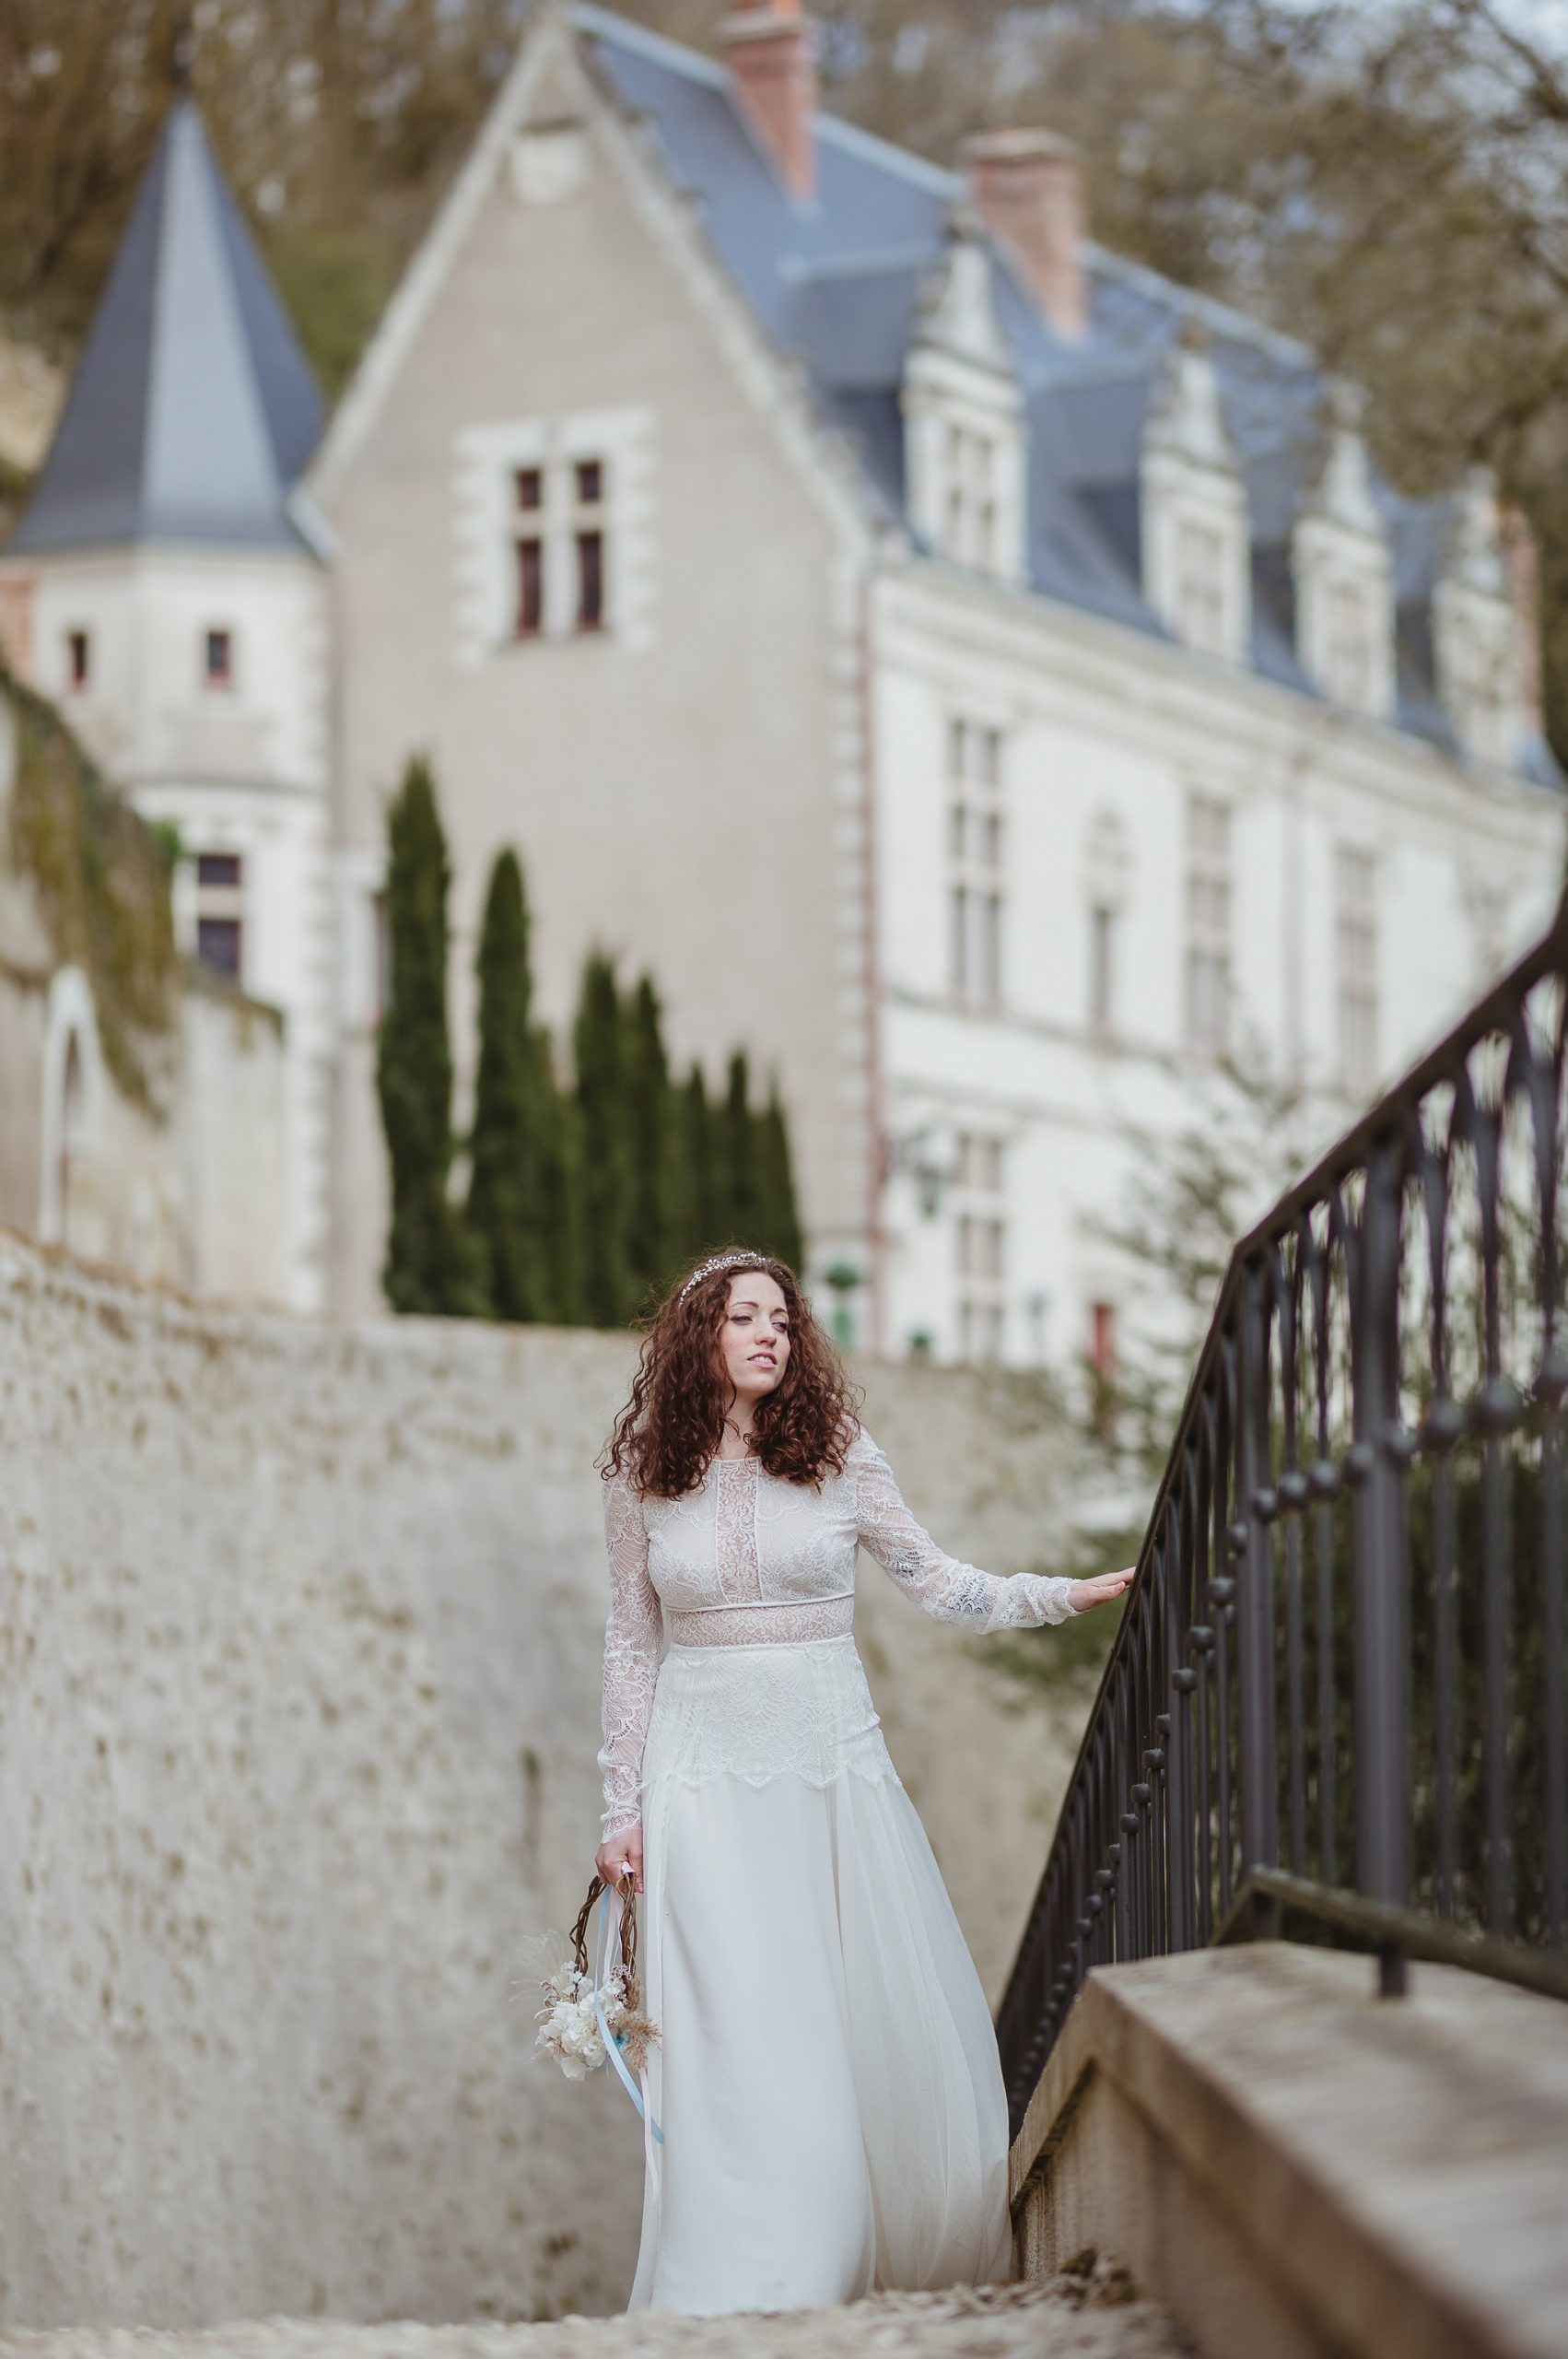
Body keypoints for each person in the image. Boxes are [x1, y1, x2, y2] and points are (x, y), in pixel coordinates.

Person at [594, 1250, 1133, 2318]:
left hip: (822, 1773)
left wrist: (1064, 1594)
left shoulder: (837, 1454)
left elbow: (939, 1580)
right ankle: (724, 2267)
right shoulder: (642, 1472)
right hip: (694, 1778)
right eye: (743, 1317)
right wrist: (620, 1806)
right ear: (695, 1334)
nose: (768, 1335)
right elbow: (628, 1643)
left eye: (782, 1322)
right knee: (721, 2025)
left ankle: (820, 2251)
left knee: (810, 2013)